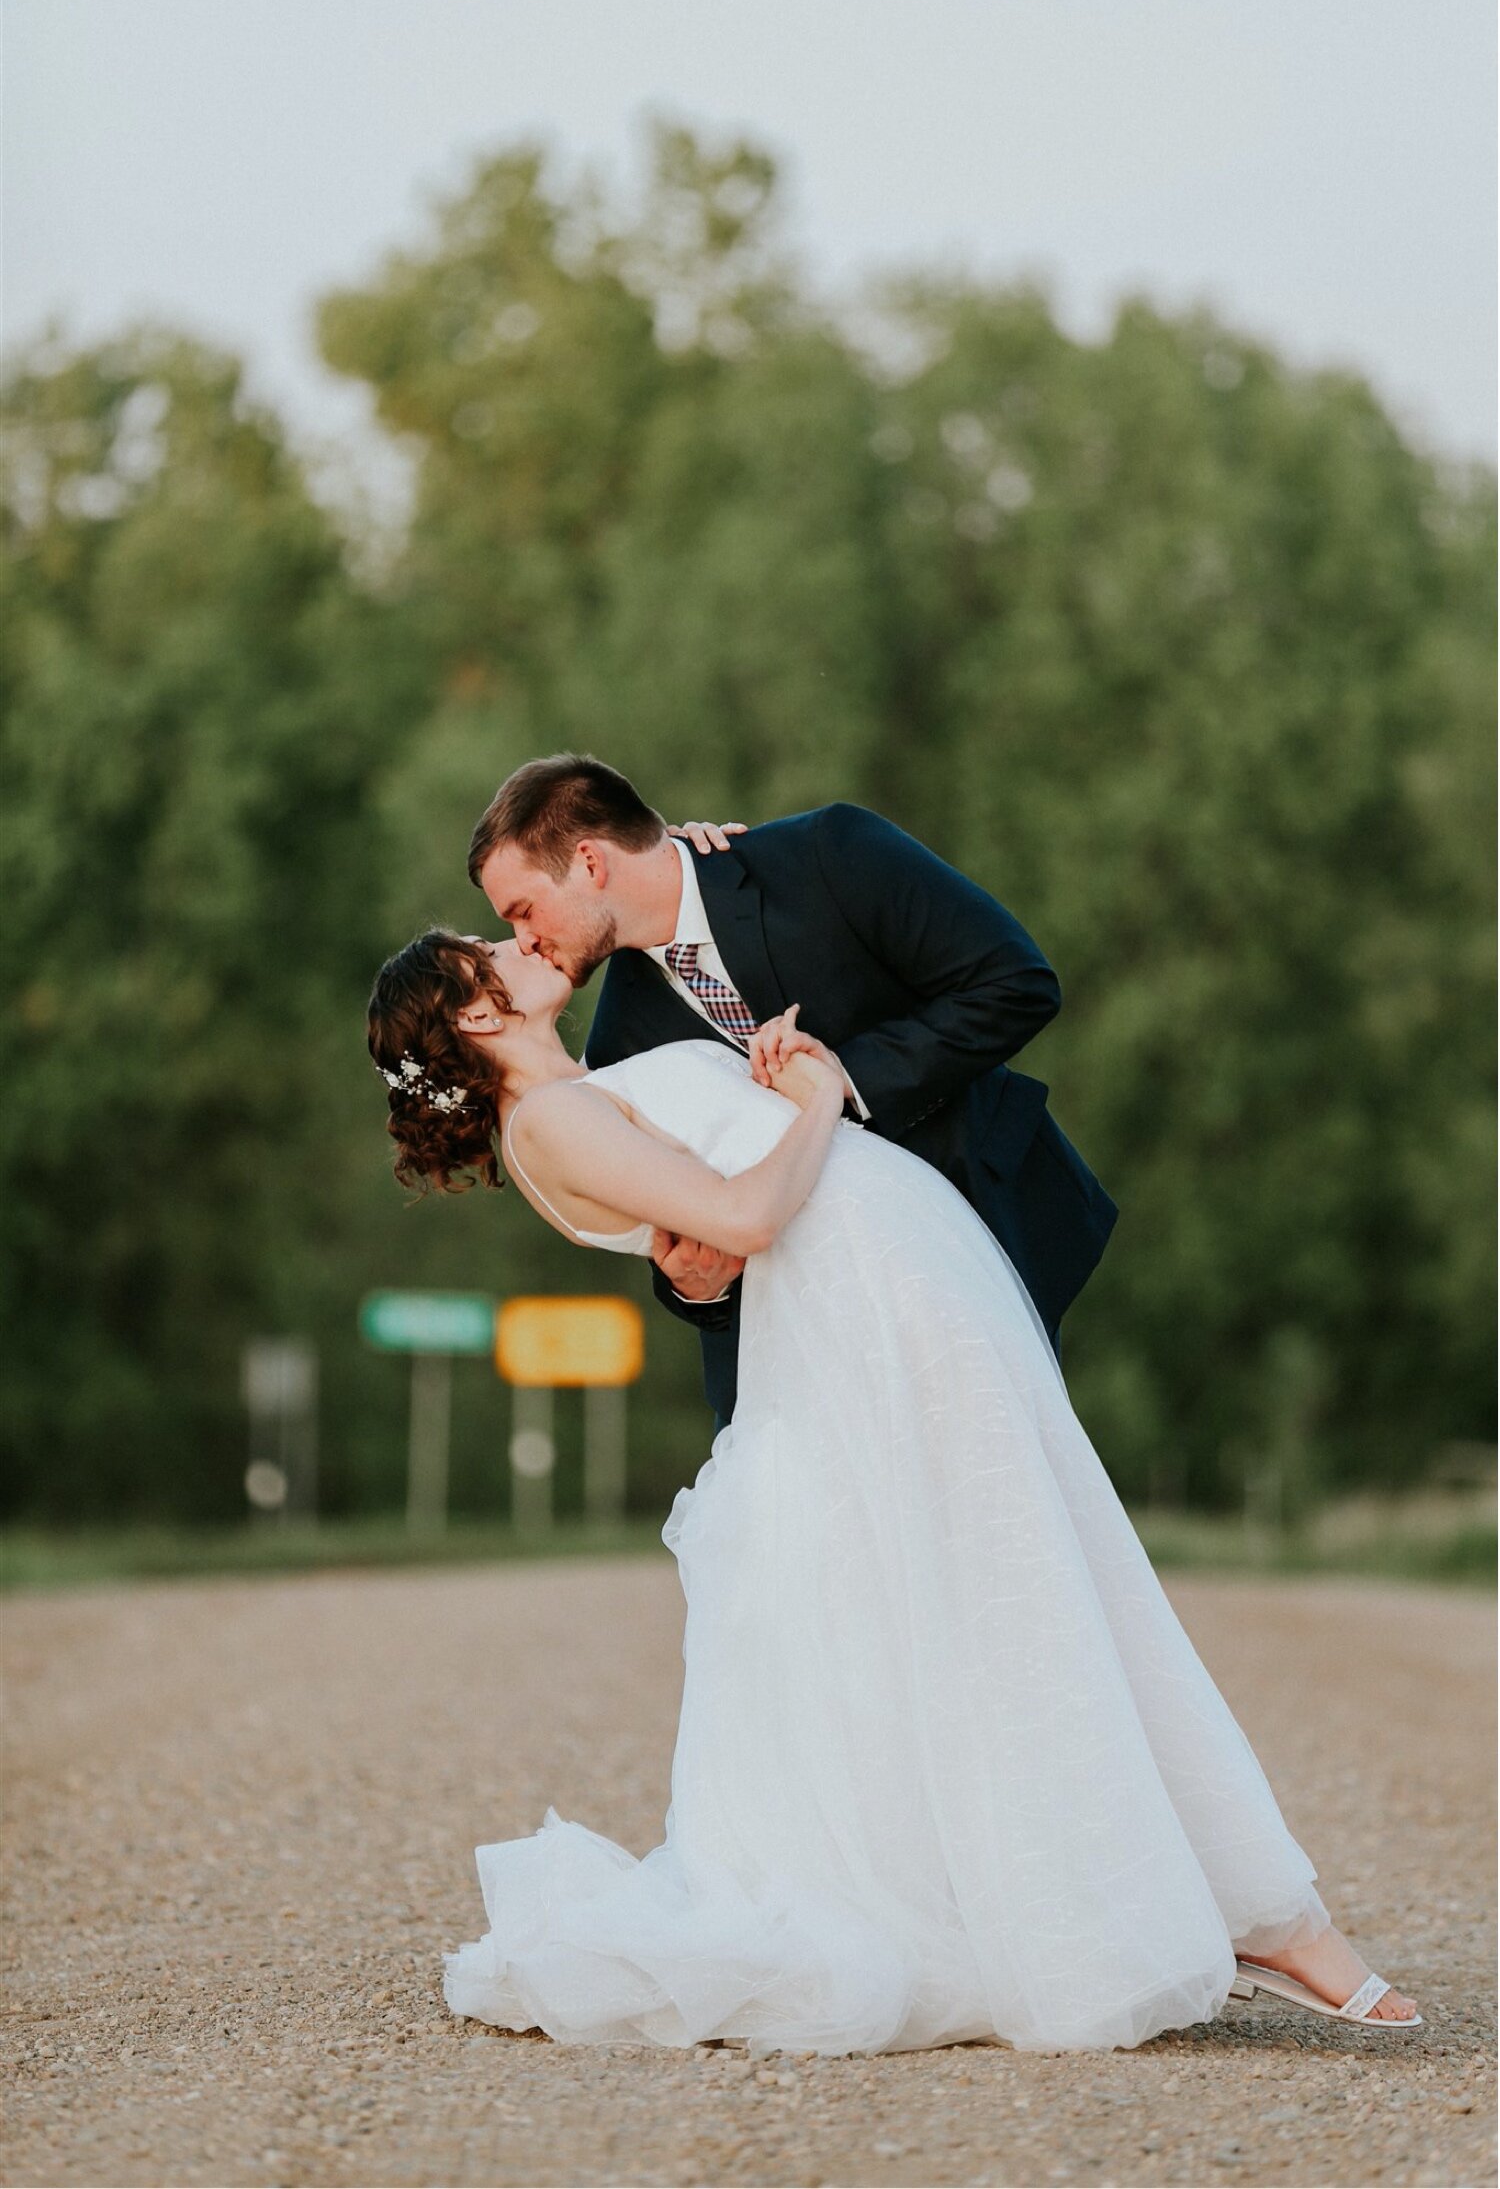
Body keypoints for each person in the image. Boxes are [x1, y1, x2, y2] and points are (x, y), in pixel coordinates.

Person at [365, 919, 1421, 2052]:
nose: (512, 941)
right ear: (477, 1014)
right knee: (1027, 1595)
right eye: (487, 947)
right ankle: (1219, 1915)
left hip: (893, 1295)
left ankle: (1208, 1904)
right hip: (864, 1322)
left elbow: (708, 1210)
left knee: (1019, 1591)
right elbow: (744, 1217)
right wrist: (820, 1092)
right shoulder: (552, 1118)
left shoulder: (583, 1089)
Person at [466, 754, 1119, 1437]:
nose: (524, 940)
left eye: (523, 909)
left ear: (593, 864)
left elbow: (1016, 983)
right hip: (824, 1332)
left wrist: (845, 1081)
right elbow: (695, 1223)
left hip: (984, 1219)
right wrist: (698, 1284)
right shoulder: (618, 1045)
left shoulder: (824, 856)